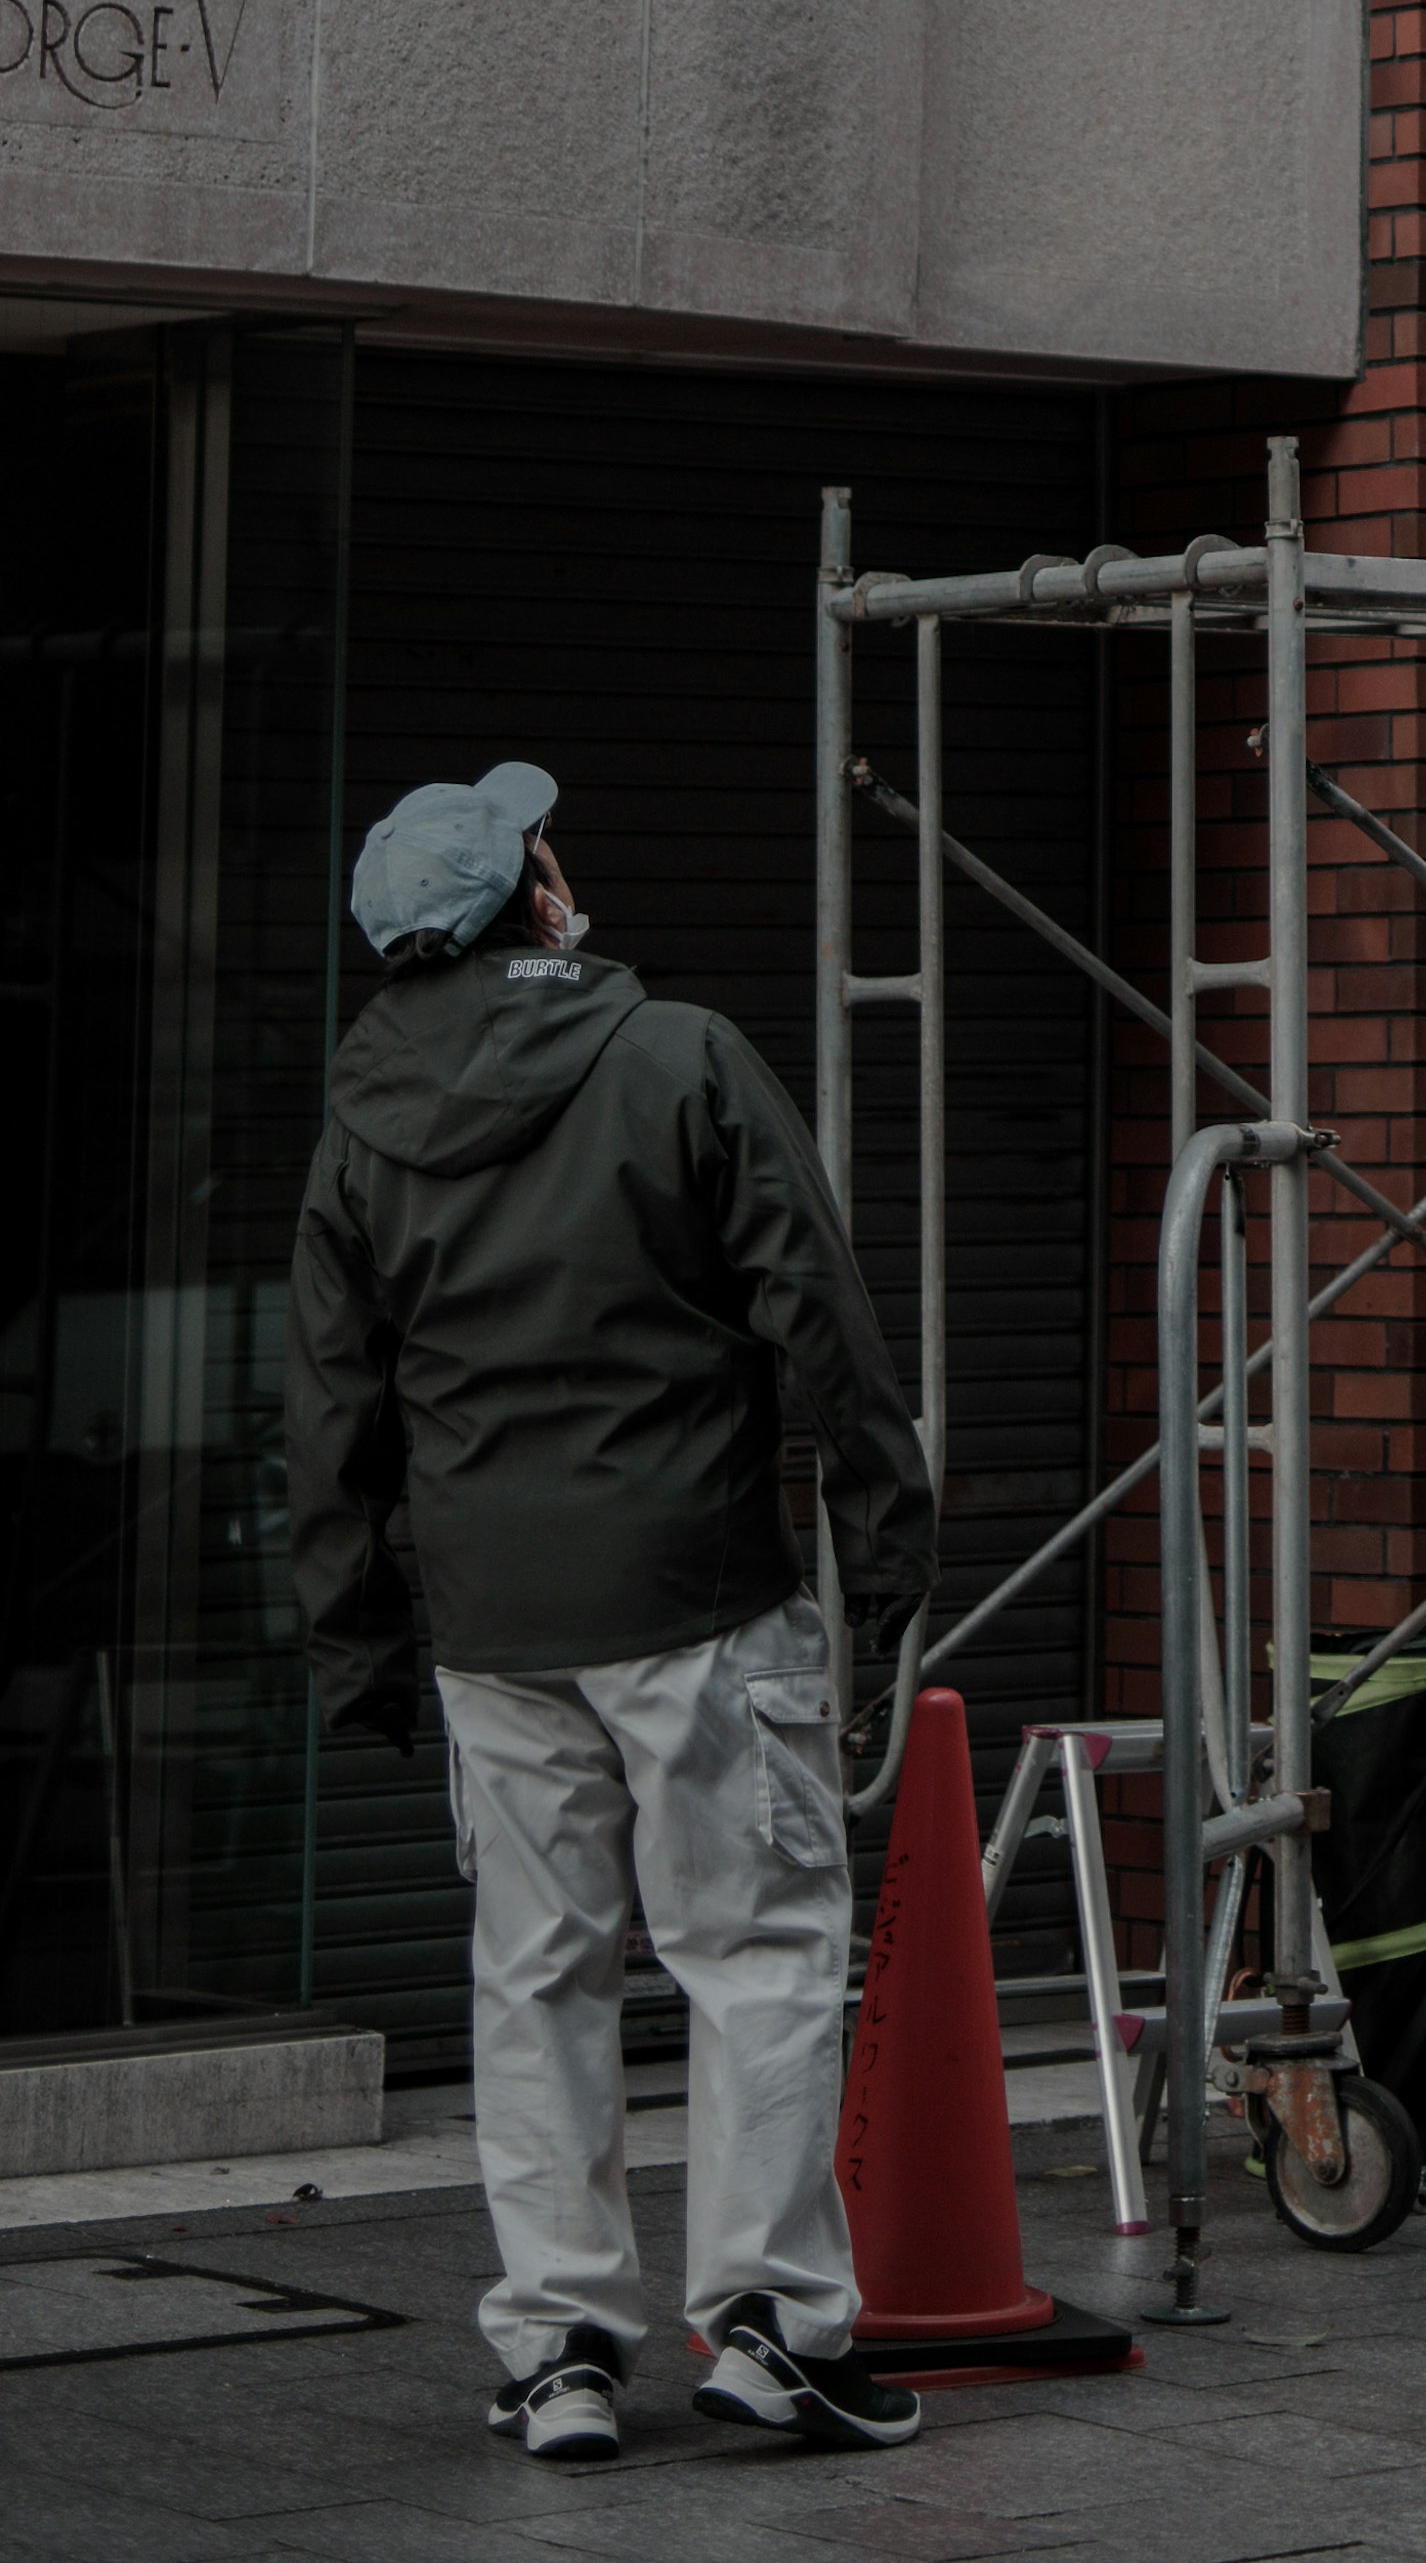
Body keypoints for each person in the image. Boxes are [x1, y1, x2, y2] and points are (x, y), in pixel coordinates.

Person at [288, 759, 938, 2468]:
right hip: (699, 1596)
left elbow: (329, 1406)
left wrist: (355, 1636)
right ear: (533, 899)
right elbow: (822, 1310)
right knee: (761, 1953)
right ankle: (774, 2327)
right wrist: (883, 1535)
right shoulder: (678, 1055)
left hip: (490, 1622)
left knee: (537, 1974)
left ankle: (562, 2342)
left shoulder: (361, 1118)